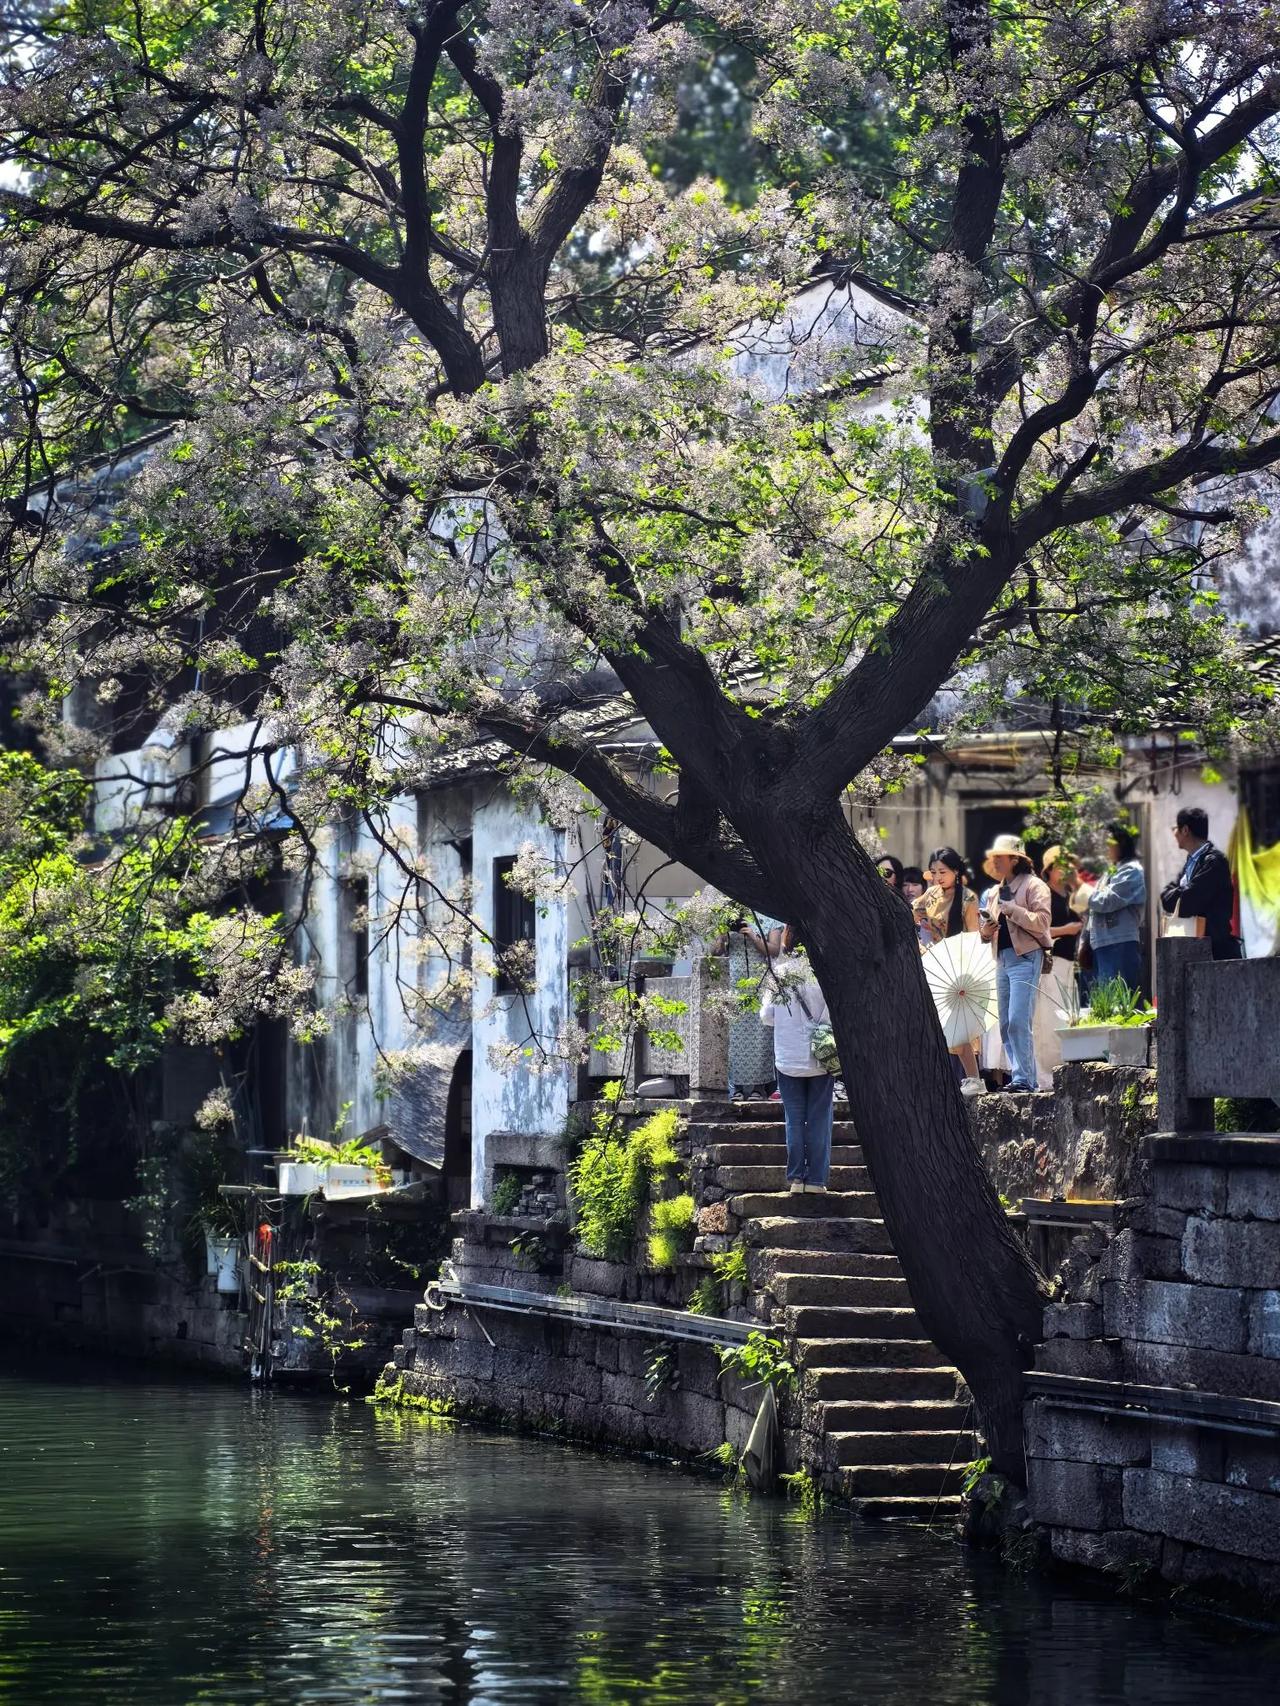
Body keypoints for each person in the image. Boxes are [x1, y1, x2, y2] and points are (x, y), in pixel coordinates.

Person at [759, 925, 834, 1194]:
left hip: (788, 1058)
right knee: (819, 1118)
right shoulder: (825, 973)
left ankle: (796, 1179)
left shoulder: (778, 974)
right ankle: (815, 1180)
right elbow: (833, 1013)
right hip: (820, 1057)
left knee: (794, 1119)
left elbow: (766, 1017)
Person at [978, 834, 1052, 1094]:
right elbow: (983, 935)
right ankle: (1020, 1077)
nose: (995, 861)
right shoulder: (994, 892)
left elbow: (1043, 923)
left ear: (1015, 859)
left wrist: (1012, 911)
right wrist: (986, 929)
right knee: (1007, 1023)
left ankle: (1025, 1080)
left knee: (1019, 1019)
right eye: (994, 858)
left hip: (1026, 957)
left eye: (1000, 857)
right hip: (1002, 959)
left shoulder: (1035, 886)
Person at [912, 846, 983, 1083]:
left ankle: (972, 1079)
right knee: (935, 1026)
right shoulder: (930, 895)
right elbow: (905, 916)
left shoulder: (968, 898)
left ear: (955, 870)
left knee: (959, 1029)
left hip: (961, 967)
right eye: (933, 872)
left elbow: (974, 937)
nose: (937, 877)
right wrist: (920, 947)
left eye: (942, 871)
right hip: (935, 965)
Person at [1160, 806, 1242, 960]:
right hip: (1196, 948)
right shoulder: (1192, 861)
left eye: (1176, 828)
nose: (1174, 834)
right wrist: (1181, 893)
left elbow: (1188, 902)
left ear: (1185, 830)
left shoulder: (1214, 862)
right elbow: (1166, 896)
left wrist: (1180, 894)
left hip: (1215, 951)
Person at [1034, 846, 1083, 1085]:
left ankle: (1065, 1075)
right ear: (1050, 870)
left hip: (1069, 964)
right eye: (1061, 865)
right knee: (1048, 1020)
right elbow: (1038, 928)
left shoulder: (1071, 896)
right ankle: (1045, 1078)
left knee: (1067, 1020)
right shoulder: (1044, 895)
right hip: (1050, 964)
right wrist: (1068, 930)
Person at [1086, 822, 1147, 990]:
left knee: (1119, 1005)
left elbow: (1106, 901)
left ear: (1121, 843)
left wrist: (1078, 885)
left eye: (1107, 842)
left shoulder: (1132, 870)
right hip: (1104, 943)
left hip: (1120, 943)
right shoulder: (1110, 871)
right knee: (1106, 1006)